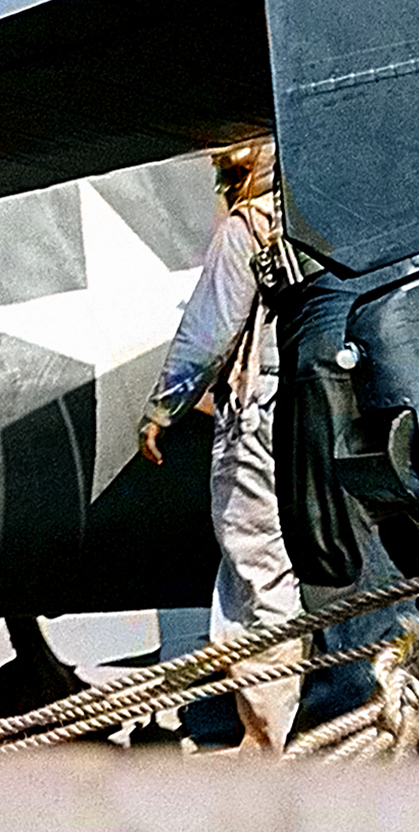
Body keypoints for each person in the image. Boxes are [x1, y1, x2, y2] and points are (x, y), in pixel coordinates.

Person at [137, 138, 302, 750]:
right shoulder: (316, 214)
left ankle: (272, 740)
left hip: (256, 418)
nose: (217, 166)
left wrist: (162, 408)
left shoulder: (248, 226)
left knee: (255, 579)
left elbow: (209, 331)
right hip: (312, 416)